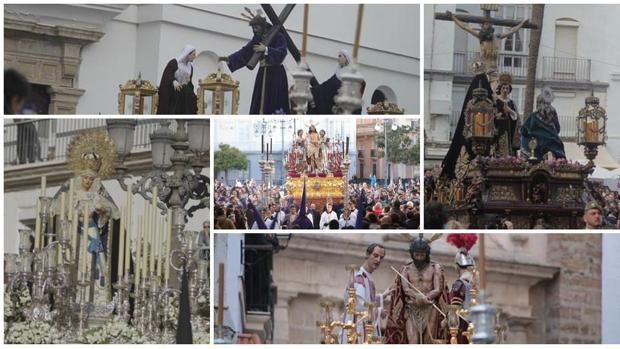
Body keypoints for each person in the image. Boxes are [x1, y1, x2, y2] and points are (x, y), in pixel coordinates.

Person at [50, 130, 120, 298]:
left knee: (94, 263)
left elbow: (111, 214)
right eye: (85, 178)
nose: (87, 181)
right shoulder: (70, 194)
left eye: (91, 179)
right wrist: (72, 210)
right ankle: (71, 294)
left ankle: (95, 297)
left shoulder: (98, 195)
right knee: (74, 262)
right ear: (80, 177)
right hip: (74, 234)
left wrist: (103, 211)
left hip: (92, 231)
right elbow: (56, 209)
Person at [225, 8, 289, 114]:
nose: (255, 30)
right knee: (260, 102)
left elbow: (282, 52)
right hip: (262, 73)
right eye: (253, 28)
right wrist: (230, 59)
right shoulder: (257, 39)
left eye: (256, 27)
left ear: (262, 26)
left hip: (276, 74)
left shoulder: (278, 36)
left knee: (273, 102)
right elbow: (246, 52)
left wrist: (266, 50)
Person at [386, 234, 446, 344]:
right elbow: (406, 289)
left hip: (430, 308)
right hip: (412, 309)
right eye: (416, 255)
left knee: (429, 341)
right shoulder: (406, 269)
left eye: (422, 255)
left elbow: (438, 289)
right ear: (412, 254)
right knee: (412, 341)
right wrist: (418, 297)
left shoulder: (435, 268)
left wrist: (425, 297)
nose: (419, 258)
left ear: (427, 254)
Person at [309, 49, 364, 114]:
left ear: (346, 58)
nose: (338, 58)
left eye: (340, 56)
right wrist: (317, 90)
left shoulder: (350, 72)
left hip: (341, 98)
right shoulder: (339, 71)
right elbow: (328, 84)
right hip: (332, 95)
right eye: (338, 56)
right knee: (316, 92)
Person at [446, 234, 478, 344]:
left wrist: (447, 321)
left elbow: (454, 310)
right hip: (476, 328)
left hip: (463, 330)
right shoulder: (475, 284)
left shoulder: (458, 285)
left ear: (457, 266)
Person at [520, 91, 566, 161]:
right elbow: (558, 129)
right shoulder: (553, 112)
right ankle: (551, 155)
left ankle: (527, 158)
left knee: (525, 138)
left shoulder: (534, 115)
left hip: (538, 143)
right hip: (553, 142)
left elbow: (523, 130)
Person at [157, 45, 198, 114]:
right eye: (193, 54)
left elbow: (189, 82)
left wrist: (188, 82)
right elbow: (167, 76)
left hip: (184, 91)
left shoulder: (190, 67)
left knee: (190, 95)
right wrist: (173, 81)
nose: (195, 56)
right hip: (173, 91)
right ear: (188, 54)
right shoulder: (174, 62)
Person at [494, 73, 520, 156]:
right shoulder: (495, 100)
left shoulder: (511, 102)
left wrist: (510, 111)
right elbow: (492, 114)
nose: (505, 90)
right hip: (498, 128)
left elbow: (516, 117)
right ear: (500, 89)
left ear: (509, 90)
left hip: (509, 129)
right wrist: (499, 115)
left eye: (507, 88)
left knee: (508, 146)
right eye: (503, 88)